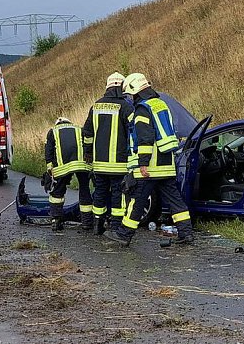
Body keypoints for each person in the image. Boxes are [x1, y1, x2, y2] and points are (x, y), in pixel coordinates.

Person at [106, 73, 194, 246]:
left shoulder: (142, 109)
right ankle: (186, 233)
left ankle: (124, 235)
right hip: (166, 165)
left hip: (150, 167)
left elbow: (145, 138)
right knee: (175, 201)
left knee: (136, 201)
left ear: (134, 90)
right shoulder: (161, 104)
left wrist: (143, 163)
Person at [82, 72, 134, 235]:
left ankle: (98, 224)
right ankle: (115, 226)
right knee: (118, 194)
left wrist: (88, 152)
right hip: (119, 163)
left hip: (99, 163)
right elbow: (133, 133)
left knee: (100, 193)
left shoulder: (95, 106)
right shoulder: (126, 107)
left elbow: (87, 133)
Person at [44, 117, 92, 232]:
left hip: (62, 167)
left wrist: (50, 168)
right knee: (85, 190)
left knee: (58, 192)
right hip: (82, 164)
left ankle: (56, 219)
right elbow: (87, 144)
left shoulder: (53, 131)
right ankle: (87, 222)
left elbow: (49, 151)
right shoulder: (79, 129)